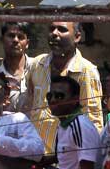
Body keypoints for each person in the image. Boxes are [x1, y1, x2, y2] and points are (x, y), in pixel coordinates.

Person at [24, 22, 103, 152]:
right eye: (51, 29)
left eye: (62, 29)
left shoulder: (86, 71)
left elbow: (93, 119)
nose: (54, 33)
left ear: (77, 37)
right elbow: (29, 104)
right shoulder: (37, 64)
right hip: (35, 153)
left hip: (67, 156)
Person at [0, 22, 38, 113]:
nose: (16, 40)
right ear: (2, 40)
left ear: (27, 43)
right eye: (11, 36)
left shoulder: (38, 68)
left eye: (20, 37)